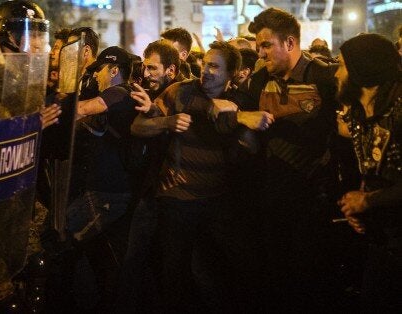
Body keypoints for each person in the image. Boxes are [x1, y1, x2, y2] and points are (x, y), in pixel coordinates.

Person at [219, 7, 346, 311]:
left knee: (312, 281)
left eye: (265, 45)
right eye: (258, 46)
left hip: (314, 199)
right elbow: (232, 118)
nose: (260, 53)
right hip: (272, 198)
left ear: (289, 43)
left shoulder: (324, 77)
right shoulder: (260, 79)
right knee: (277, 279)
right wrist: (243, 118)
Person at [131, 41, 264, 313]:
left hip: (219, 200)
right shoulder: (180, 91)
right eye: (204, 64)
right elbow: (137, 127)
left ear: (232, 74)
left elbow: (251, 148)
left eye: (215, 66)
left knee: (230, 268)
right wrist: (167, 122)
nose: (205, 71)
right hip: (178, 199)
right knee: (175, 273)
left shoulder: (241, 101)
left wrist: (241, 122)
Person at [65, 46, 142, 312]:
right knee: (102, 256)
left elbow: (85, 109)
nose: (96, 76)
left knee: (60, 239)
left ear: (113, 70)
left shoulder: (118, 91)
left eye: (99, 70)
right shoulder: (123, 94)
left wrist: (51, 108)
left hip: (108, 192)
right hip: (109, 188)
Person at [335, 33, 402, 312]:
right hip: (381, 239)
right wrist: (360, 207)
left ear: (362, 69)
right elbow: (371, 167)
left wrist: (370, 201)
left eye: (342, 66)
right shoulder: (360, 115)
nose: (336, 73)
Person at [114, 40, 182, 312]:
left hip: (170, 194)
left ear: (172, 70)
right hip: (147, 188)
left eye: (153, 68)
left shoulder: (182, 95)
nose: (146, 73)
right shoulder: (144, 94)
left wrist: (154, 112)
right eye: (144, 66)